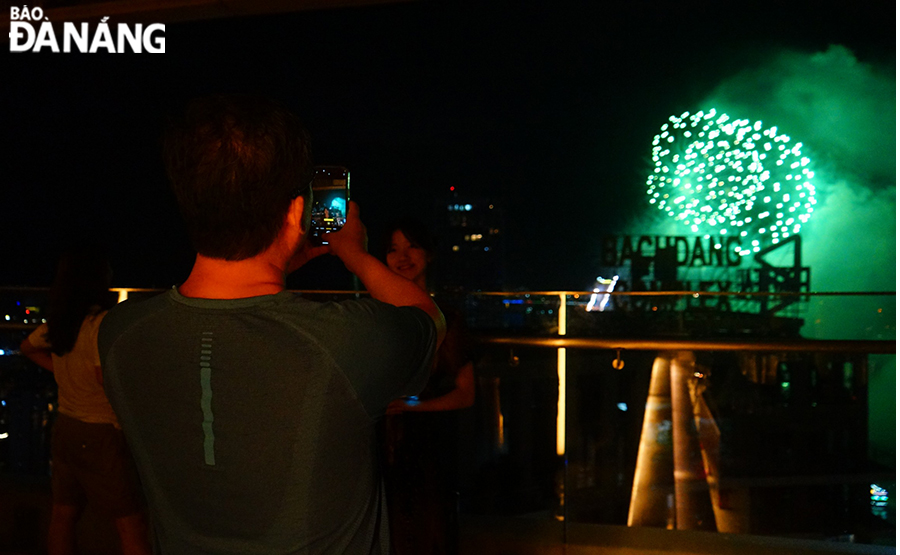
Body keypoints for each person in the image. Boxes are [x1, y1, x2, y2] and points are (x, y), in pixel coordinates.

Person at [96, 95, 445, 554]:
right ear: (297, 213)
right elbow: (427, 320)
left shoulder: (119, 333)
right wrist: (353, 253)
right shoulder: (344, 340)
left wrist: (277, 259)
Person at [19, 246, 151, 555]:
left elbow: (27, 346)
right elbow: (105, 379)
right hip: (100, 433)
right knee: (131, 525)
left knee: (63, 517)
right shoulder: (100, 324)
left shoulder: (63, 322)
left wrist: (62, 372)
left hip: (66, 427)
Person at [382, 220, 475, 555]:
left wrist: (412, 407)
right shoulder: (377, 316)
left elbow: (467, 393)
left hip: (429, 447)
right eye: (393, 249)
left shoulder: (447, 318)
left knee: (426, 530)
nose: (402, 257)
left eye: (411, 247)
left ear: (429, 255)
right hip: (382, 445)